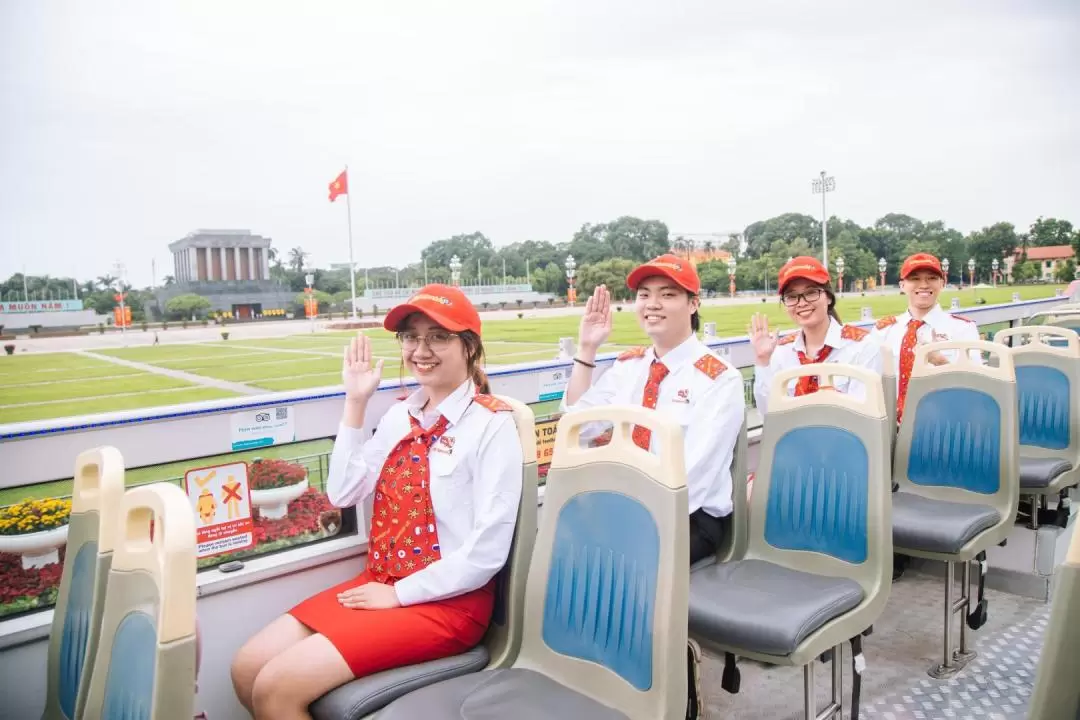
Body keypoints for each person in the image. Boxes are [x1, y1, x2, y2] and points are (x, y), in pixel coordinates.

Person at [230, 284, 523, 720]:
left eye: (439, 336)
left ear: (470, 348)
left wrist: (401, 595)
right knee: (247, 667)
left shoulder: (492, 426)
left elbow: (487, 553)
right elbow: (342, 493)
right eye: (411, 336)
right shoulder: (399, 416)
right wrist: (355, 401)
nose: (421, 349)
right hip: (380, 584)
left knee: (276, 688)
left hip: (447, 602)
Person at [561, 253, 745, 719]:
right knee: (560, 565)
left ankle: (668, 695)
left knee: (619, 575)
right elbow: (578, 426)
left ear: (693, 302)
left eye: (668, 294)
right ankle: (602, 689)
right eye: (644, 295)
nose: (653, 305)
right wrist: (587, 349)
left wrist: (630, 525)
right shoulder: (626, 368)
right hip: (623, 511)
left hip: (690, 519)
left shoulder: (716, 378)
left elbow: (697, 476)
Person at [749, 256, 883, 416]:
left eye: (811, 293)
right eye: (792, 297)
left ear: (828, 297)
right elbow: (769, 415)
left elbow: (863, 417)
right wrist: (763, 360)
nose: (802, 303)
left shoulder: (862, 346)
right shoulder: (781, 351)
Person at [871, 252, 980, 426]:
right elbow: (870, 383)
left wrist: (940, 362)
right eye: (914, 278)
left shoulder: (962, 329)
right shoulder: (884, 330)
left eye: (931, 278)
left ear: (942, 283)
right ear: (902, 285)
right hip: (890, 427)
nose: (923, 284)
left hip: (945, 424)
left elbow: (977, 385)